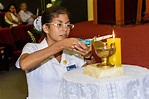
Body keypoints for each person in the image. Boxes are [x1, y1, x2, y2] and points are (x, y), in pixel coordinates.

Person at [15, 6, 96, 99]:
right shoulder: (33, 48)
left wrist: (88, 56)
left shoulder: (71, 51)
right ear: (46, 28)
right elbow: (24, 64)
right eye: (59, 24)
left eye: (68, 25)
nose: (65, 29)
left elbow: (91, 74)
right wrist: (60, 45)